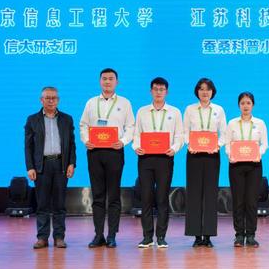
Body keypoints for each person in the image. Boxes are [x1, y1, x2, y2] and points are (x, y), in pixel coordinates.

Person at [79, 68, 135, 249]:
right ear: (99, 81)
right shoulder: (91, 102)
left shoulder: (124, 103)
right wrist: (86, 140)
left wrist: (123, 141)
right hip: (95, 152)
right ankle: (98, 235)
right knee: (98, 195)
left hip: (114, 152)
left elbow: (131, 126)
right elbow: (83, 125)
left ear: (117, 82)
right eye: (104, 79)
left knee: (113, 195)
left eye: (111, 79)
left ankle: (112, 235)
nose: (107, 82)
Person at [132, 77, 183, 248]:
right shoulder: (142, 111)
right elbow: (136, 133)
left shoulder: (175, 112)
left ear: (166, 92)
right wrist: (136, 147)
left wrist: (174, 149)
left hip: (165, 159)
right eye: (155, 89)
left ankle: (161, 236)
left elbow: (179, 135)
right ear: (150, 91)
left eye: (161, 89)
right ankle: (147, 237)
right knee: (146, 197)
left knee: (162, 198)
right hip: (145, 158)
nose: (158, 92)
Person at [25, 86, 76, 249]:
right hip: (42, 166)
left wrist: (71, 163)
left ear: (58, 100)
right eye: (47, 98)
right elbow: (28, 147)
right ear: (41, 100)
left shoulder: (67, 119)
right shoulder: (32, 120)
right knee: (42, 204)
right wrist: (30, 167)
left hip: (61, 165)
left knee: (60, 204)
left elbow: (72, 144)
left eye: (54, 98)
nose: (51, 101)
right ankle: (42, 237)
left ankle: (59, 237)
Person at [183, 78, 228, 248]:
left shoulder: (219, 110)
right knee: (194, 194)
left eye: (208, 89)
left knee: (210, 194)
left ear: (212, 92)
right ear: (197, 91)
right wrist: (190, 144)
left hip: (212, 155)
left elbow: (224, 133)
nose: (204, 92)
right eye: (201, 89)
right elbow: (185, 131)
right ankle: (196, 235)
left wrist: (217, 146)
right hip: (194, 155)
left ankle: (208, 235)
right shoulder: (190, 109)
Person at [225, 92, 269, 247]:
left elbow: (264, 144)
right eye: (242, 103)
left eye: (248, 103)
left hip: (254, 165)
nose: (245, 106)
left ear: (253, 105)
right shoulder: (232, 123)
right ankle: (239, 235)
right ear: (239, 105)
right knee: (238, 201)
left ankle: (250, 235)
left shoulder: (260, 123)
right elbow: (227, 144)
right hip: (236, 165)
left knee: (251, 201)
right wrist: (231, 155)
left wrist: (258, 153)